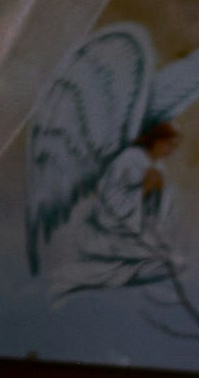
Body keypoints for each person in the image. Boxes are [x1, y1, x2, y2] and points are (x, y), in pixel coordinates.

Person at [47, 119, 191, 296]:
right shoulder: (130, 158)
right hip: (115, 227)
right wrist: (144, 189)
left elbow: (160, 205)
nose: (171, 150)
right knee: (164, 263)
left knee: (175, 263)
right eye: (169, 145)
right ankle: (105, 274)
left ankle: (131, 266)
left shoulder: (159, 165)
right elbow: (109, 197)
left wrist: (160, 192)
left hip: (142, 228)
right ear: (157, 140)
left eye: (174, 146)